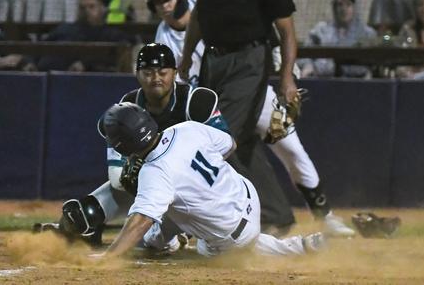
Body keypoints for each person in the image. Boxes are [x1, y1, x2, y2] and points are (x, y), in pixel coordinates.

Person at [146, 0, 354, 236]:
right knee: (223, 162)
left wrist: (282, 64)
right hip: (216, 109)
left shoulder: (207, 5)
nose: (164, 4)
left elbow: (253, 23)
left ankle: (325, 217)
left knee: (292, 149)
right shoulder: (162, 37)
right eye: (157, 0)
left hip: (252, 91)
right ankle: (245, 221)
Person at [33, 43, 231, 249]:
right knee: (80, 215)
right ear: (137, 74)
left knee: (153, 242)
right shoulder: (128, 106)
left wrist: (184, 169)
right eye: (148, 72)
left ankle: (174, 234)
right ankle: (82, 233)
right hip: (148, 181)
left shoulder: (195, 101)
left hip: (194, 188)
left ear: (175, 72)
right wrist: (139, 176)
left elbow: (226, 144)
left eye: (162, 72)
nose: (155, 78)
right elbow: (118, 178)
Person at [178, 0, 298, 235]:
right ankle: (276, 215)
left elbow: (286, 30)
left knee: (217, 137)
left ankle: (240, 213)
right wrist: (187, 55)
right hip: (213, 59)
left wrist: (287, 76)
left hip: (250, 61)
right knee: (238, 141)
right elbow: (200, 15)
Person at [94, 102, 325, 258]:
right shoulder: (185, 128)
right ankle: (159, 241)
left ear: (122, 145)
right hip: (248, 196)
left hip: (233, 235)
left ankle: (291, 249)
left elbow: (140, 221)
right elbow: (230, 145)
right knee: (176, 200)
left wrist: (109, 257)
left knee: (204, 246)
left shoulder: (153, 173)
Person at [37, 0, 135, 71]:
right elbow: (41, 47)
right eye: (82, 8)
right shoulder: (65, 29)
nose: (86, 10)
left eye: (91, 6)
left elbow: (120, 55)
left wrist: (86, 64)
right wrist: (28, 62)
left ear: (102, 9)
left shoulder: (112, 35)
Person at [300, 0, 377, 78]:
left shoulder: (367, 34)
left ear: (355, 8)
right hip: (323, 81)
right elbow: (304, 55)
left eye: (348, 4)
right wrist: (309, 66)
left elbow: (372, 64)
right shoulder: (321, 31)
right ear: (334, 7)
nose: (343, 9)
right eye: (340, 4)